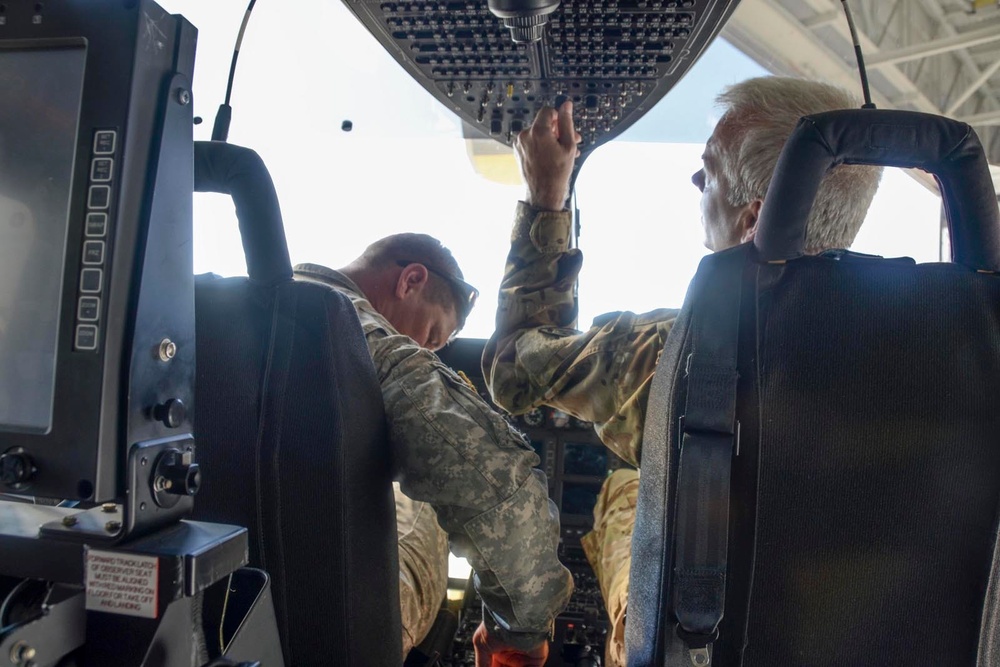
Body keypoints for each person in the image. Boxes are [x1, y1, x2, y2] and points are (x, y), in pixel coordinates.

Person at [482, 76, 883, 666]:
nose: (697, 180)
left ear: (755, 220)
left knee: (626, 488)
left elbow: (515, 365)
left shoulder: (678, 357)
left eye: (710, 169)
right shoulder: (936, 368)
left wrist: (547, 195)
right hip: (865, 638)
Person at [293, 233, 572, 666]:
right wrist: (518, 631)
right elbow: (502, 493)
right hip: (306, 619)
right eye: (431, 337)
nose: (422, 351)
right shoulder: (366, 340)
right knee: (420, 498)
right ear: (411, 280)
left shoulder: (210, 305)